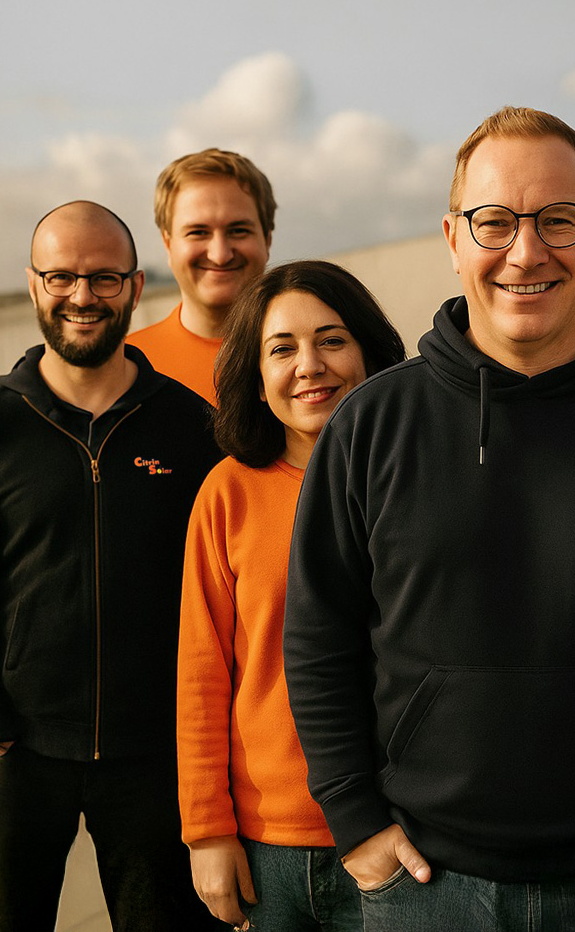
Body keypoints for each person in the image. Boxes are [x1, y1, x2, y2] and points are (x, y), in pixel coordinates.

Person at [283, 108, 575, 932]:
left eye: (557, 220)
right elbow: (316, 632)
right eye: (495, 221)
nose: (525, 251)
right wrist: (355, 821)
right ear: (452, 236)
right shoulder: (370, 425)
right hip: (423, 888)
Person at [0, 201, 224, 932]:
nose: (82, 296)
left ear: (133, 286)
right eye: (61, 276)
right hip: (21, 752)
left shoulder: (190, 426)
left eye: (103, 277)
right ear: (33, 286)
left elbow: (220, 592)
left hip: (153, 755)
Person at [176, 261, 405, 930]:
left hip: (405, 827)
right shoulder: (228, 492)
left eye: (332, 339)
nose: (310, 364)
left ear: (369, 351)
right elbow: (201, 671)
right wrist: (207, 831)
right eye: (282, 348)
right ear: (255, 371)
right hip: (271, 844)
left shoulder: (416, 477)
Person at [128, 148, 276, 403]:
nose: (220, 255)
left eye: (239, 230)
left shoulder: (312, 362)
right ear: (168, 244)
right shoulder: (126, 366)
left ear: (267, 240)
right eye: (198, 232)